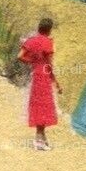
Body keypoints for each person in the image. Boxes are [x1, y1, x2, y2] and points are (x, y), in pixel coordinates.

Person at [19, 18, 62, 151]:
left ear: (39, 28)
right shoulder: (48, 43)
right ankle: (39, 141)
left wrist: (32, 62)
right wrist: (56, 83)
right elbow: (49, 65)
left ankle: (42, 139)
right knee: (44, 108)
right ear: (49, 30)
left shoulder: (31, 40)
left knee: (38, 107)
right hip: (44, 78)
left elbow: (20, 56)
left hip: (35, 75)